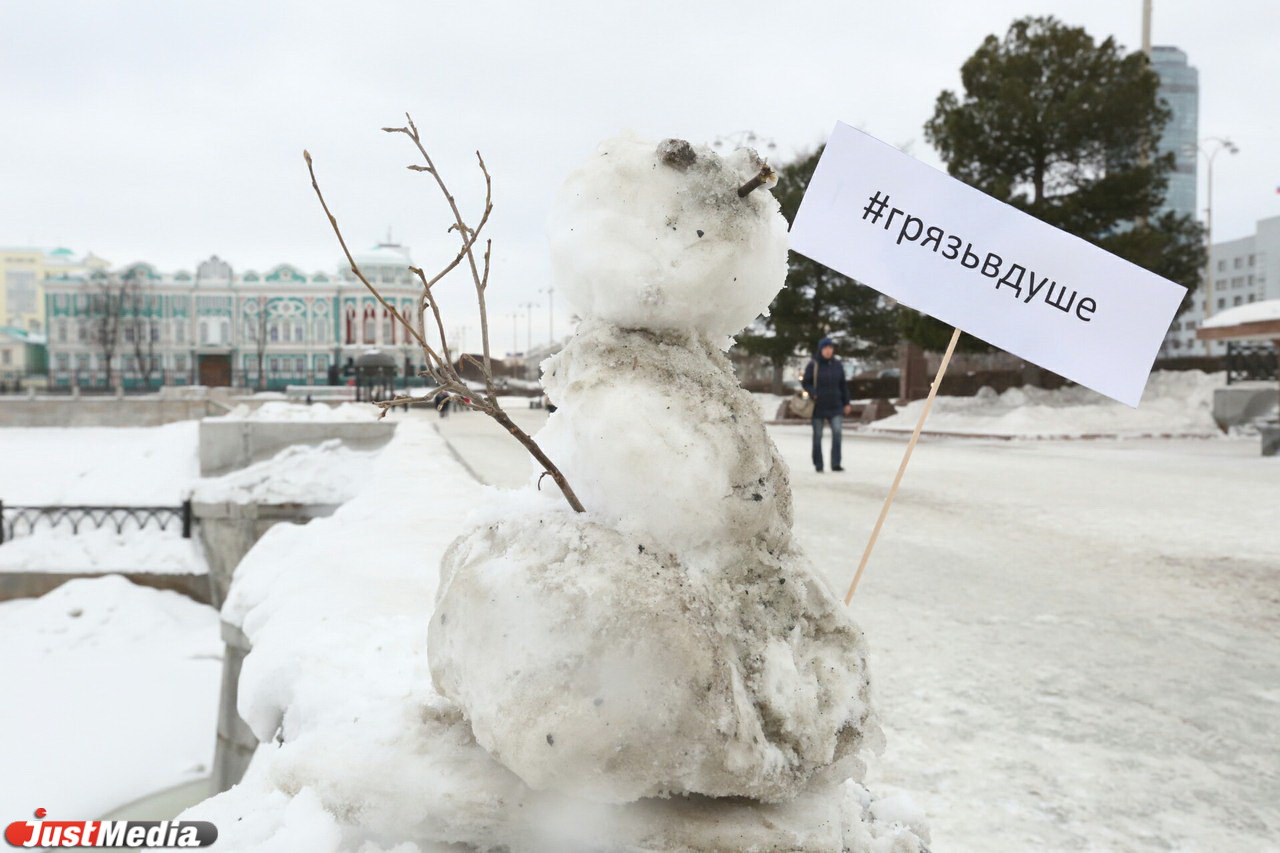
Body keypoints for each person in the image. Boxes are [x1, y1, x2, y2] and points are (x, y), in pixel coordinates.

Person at [802, 336, 852, 472]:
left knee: (837, 433)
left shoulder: (838, 365)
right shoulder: (813, 364)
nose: (828, 351)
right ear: (821, 350)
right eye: (826, 348)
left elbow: (843, 385)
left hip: (836, 405)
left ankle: (836, 464)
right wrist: (814, 393)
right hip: (818, 406)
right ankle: (819, 464)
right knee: (817, 436)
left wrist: (846, 403)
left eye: (830, 348)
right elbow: (806, 382)